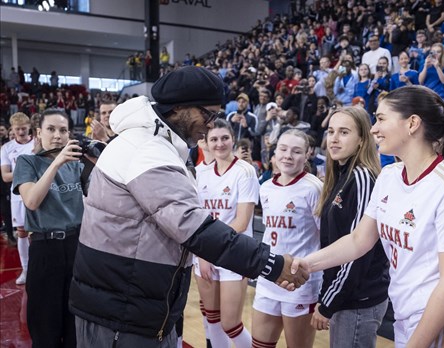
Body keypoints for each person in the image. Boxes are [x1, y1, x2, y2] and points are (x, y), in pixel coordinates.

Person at [68, 66, 308, 347]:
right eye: (208, 114)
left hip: (132, 303)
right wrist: (272, 263)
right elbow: (193, 227)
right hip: (122, 311)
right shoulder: (147, 150)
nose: (210, 125)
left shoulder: (155, 144)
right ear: (180, 108)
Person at [286, 85, 444, 347]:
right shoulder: (389, 176)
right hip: (403, 310)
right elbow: (358, 240)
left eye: (381, 118)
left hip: (438, 318)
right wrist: (307, 264)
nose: (374, 128)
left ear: (412, 123)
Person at [12, 109, 93, 347]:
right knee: (45, 326)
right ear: (39, 132)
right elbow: (32, 201)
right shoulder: (28, 162)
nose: (57, 135)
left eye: (63, 130)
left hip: (76, 246)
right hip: (45, 248)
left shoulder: (77, 165)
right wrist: (56, 163)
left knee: (74, 326)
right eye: (51, 129)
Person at [312, 106, 390, 347]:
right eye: (331, 131)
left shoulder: (362, 178)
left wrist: (329, 302)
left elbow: (358, 250)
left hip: (358, 300)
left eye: (344, 132)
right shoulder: (341, 174)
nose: (334, 138)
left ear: (361, 140)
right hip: (346, 296)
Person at [252, 129, 323, 348]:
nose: (288, 156)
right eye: (283, 149)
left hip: (300, 283)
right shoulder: (265, 188)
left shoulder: (314, 188)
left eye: (296, 151)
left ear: (308, 154)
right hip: (268, 278)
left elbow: (327, 240)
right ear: (274, 151)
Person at [194, 119, 260, 348]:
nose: (220, 144)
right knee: (211, 317)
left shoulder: (245, 171)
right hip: (205, 254)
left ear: (232, 138)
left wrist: (207, 247)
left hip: (234, 252)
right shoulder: (200, 173)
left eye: (224, 138)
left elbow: (242, 222)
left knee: (230, 323)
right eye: (214, 139)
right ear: (207, 143)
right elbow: (198, 219)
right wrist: (202, 254)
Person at [1, 112, 34, 285]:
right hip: (17, 195)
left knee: (38, 233)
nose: (21, 132)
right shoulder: (6, 148)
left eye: (23, 128)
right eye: (17, 129)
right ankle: (26, 269)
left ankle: (38, 268)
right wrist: (28, 172)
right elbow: (5, 176)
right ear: (12, 129)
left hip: (37, 192)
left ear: (29, 127)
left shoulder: (37, 143)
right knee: (22, 232)